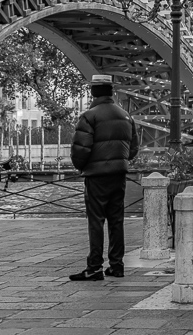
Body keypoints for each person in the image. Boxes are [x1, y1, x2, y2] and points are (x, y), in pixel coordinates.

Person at [68, 74, 139, 281]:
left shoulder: (89, 116)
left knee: (96, 221)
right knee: (117, 220)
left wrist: (83, 167)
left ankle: (95, 267)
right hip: (119, 175)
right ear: (111, 91)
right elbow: (133, 150)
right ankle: (117, 265)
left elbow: (80, 150)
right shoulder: (126, 116)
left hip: (97, 176)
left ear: (93, 92)